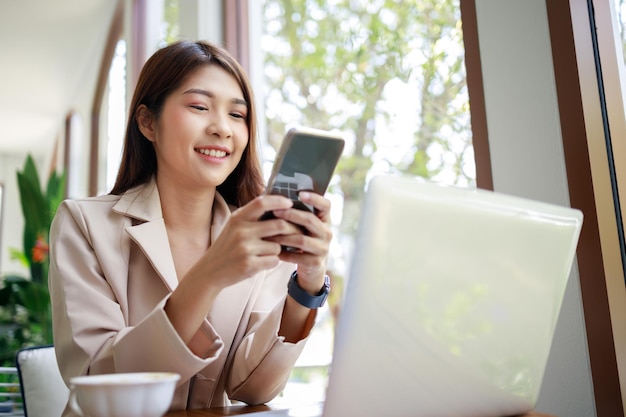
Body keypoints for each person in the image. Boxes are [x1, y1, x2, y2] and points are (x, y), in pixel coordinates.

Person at [48, 40, 332, 414]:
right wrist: (209, 275)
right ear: (148, 123)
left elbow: (254, 387)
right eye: (199, 107)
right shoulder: (83, 224)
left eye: (237, 115)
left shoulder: (255, 236)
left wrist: (307, 285)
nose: (222, 129)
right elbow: (101, 381)